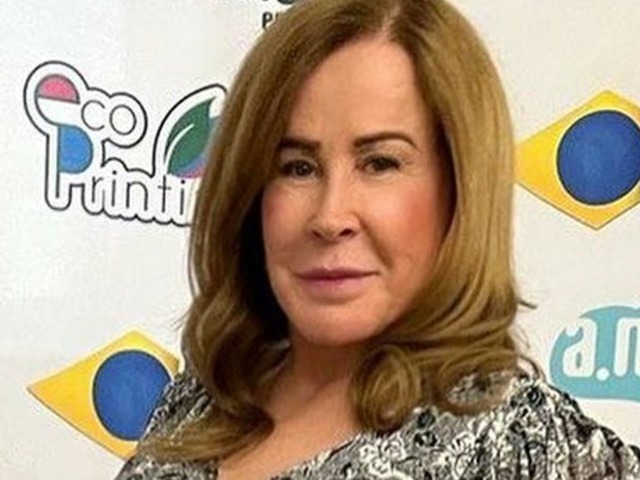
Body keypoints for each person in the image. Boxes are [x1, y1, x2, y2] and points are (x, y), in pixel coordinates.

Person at [116, 0, 640, 478]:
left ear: (459, 186)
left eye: (380, 163)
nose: (330, 216)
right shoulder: (203, 401)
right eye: (297, 167)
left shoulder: (517, 439)